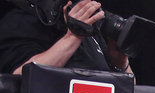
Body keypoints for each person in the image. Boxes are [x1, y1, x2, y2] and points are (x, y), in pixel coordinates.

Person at [0, 0, 134, 76]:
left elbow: (131, 89)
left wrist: (120, 64)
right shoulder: (20, 22)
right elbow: (20, 76)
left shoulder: (92, 29)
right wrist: (73, 37)